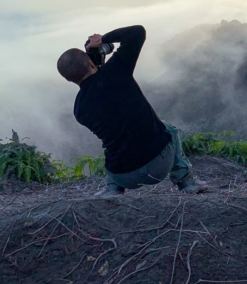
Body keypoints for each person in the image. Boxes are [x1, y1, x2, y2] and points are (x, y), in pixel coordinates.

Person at [56, 25, 207, 196]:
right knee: (169, 129)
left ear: (69, 79)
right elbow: (137, 32)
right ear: (91, 63)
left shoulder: (79, 110)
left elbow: (100, 93)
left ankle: (112, 189)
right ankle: (186, 182)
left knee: (115, 140)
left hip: (122, 176)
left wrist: (98, 67)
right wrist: (102, 40)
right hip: (158, 167)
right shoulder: (116, 70)